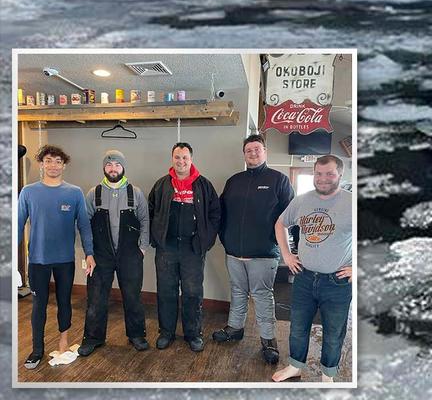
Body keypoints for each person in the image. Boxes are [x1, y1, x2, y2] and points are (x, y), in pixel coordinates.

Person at [213, 134, 294, 365]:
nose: (253, 153)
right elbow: (221, 213)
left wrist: (287, 247)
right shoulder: (234, 181)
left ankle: (269, 341)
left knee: (262, 296)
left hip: (263, 253)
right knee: (237, 292)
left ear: (265, 152)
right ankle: (235, 328)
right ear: (244, 154)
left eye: (257, 149)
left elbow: (290, 216)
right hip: (234, 253)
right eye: (249, 150)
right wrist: (225, 239)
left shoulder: (279, 180)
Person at [272, 155, 352, 383]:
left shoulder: (352, 203)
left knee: (333, 332)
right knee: (298, 327)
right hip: (304, 277)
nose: (323, 178)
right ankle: (295, 366)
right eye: (319, 173)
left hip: (337, 282)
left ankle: (328, 375)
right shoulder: (302, 200)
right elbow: (280, 223)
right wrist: (286, 254)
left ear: (340, 175)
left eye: (329, 174)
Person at [16, 145, 95, 369]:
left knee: (64, 302)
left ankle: (63, 342)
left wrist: (89, 253)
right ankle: (37, 350)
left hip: (64, 260)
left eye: (58, 161)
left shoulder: (74, 192)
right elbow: (18, 224)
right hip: (38, 260)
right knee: (38, 305)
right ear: (41, 164)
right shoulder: (28, 192)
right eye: (49, 160)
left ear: (64, 165)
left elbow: (84, 226)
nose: (53, 165)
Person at [148, 142, 220, 352]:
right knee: (166, 292)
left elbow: (215, 214)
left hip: (193, 249)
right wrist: (157, 237)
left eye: (185, 158)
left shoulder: (203, 185)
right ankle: (166, 333)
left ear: (191, 159)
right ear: (172, 159)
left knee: (192, 292)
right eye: (177, 157)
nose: (181, 162)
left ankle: (193, 334)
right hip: (166, 249)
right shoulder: (162, 185)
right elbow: (151, 211)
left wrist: (206, 240)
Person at [79, 150, 150, 356]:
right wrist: (88, 253)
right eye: (109, 165)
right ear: (104, 168)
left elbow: (145, 220)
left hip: (130, 254)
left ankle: (137, 335)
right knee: (96, 297)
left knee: (133, 296)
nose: (113, 168)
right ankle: (93, 338)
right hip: (100, 256)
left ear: (123, 167)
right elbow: (84, 225)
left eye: (117, 165)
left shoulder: (135, 192)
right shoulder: (94, 193)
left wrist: (142, 248)